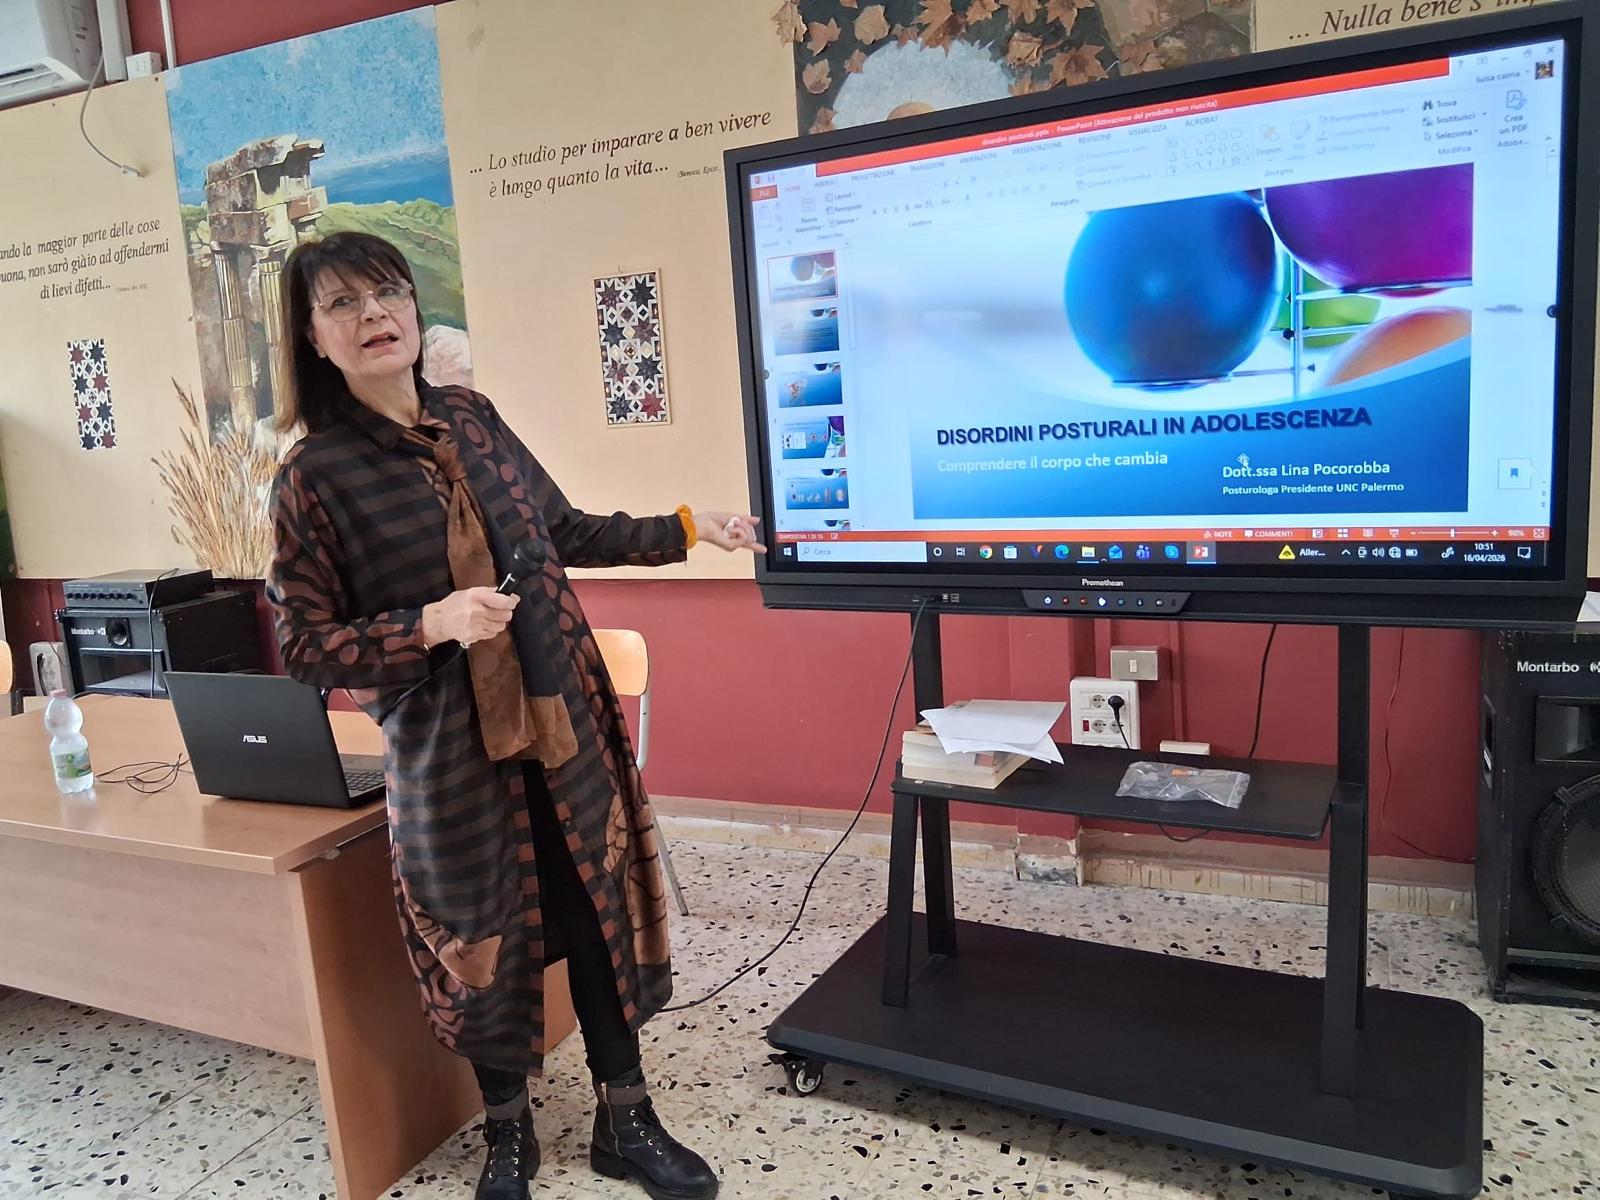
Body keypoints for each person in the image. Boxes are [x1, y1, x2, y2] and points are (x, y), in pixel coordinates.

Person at [265, 231, 760, 1200]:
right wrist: (431, 624)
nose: (374, 316)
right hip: (447, 752)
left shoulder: (472, 417)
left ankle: (626, 1120)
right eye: (344, 304)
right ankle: (507, 1135)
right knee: (480, 938)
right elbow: (305, 646)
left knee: (593, 908)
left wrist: (688, 528)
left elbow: (562, 530)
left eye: (388, 292)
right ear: (312, 338)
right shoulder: (312, 479)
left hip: (558, 717)